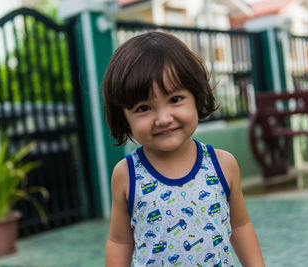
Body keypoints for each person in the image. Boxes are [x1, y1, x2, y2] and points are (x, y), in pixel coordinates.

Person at [103, 31, 264, 266]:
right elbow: (119, 243)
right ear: (124, 117)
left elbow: (239, 226)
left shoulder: (222, 165)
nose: (163, 118)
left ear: (196, 97)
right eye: (144, 107)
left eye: (175, 99)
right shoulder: (126, 175)